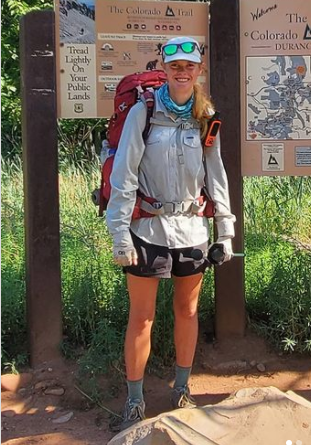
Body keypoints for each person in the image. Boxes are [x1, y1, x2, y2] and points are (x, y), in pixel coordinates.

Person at [106, 36, 235, 431]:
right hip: (147, 229)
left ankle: (181, 389)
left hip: (192, 229)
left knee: (188, 311)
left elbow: (216, 174)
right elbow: (124, 174)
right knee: (142, 318)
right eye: (175, 66)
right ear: (164, 67)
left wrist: (224, 230)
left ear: (199, 70)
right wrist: (120, 235)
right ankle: (134, 400)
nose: (182, 72)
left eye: (189, 66)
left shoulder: (206, 114)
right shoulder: (143, 113)